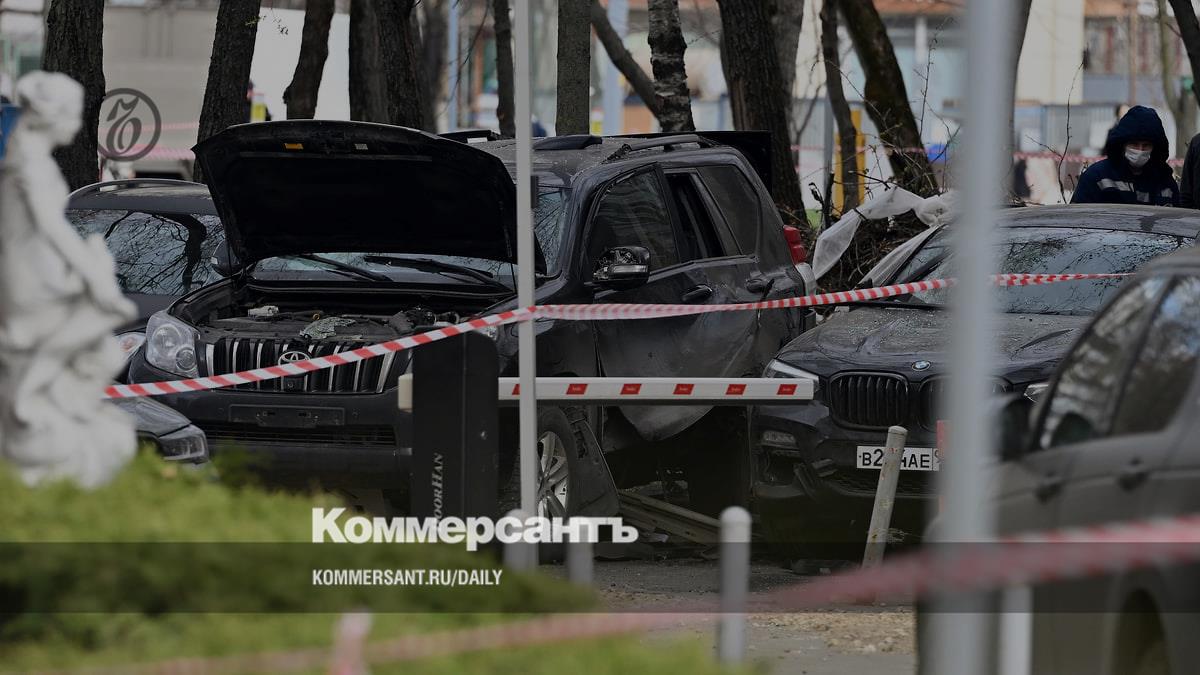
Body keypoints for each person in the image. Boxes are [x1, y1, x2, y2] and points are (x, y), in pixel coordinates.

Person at [1070, 105, 1178, 206]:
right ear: (1122, 144)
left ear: (1155, 148)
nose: (1140, 150)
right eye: (1134, 144)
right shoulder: (1096, 177)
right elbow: (1077, 218)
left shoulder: (1165, 181)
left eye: (1146, 145)